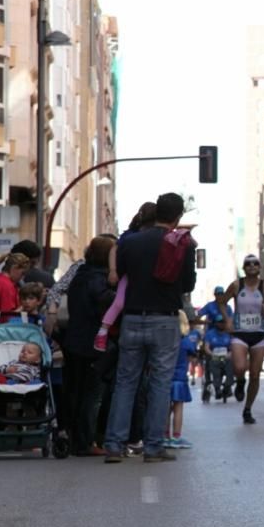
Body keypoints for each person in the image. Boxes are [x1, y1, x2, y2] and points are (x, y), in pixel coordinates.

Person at [103, 192, 196, 464]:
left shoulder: (131, 242)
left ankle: (114, 445)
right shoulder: (183, 245)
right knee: (160, 384)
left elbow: (117, 275)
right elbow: (188, 285)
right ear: (178, 217)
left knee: (126, 382)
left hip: (132, 317)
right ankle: (154, 447)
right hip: (165, 319)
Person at [63, 235, 117, 457]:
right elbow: (106, 300)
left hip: (74, 340)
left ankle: (73, 437)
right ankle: (85, 442)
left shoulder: (79, 275)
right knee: (92, 394)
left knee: (75, 391)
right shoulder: (98, 279)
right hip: (93, 343)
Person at [218, 254, 264, 424]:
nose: (252, 266)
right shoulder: (238, 285)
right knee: (239, 366)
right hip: (239, 333)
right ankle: (240, 381)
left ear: (259, 267)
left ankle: (248, 409)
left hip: (258, 335)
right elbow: (222, 301)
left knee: (255, 375)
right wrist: (228, 319)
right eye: (248, 264)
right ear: (244, 268)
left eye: (255, 264)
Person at [94, 203, 158, 352]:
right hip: (130, 273)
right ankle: (103, 331)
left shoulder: (149, 235)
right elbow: (114, 249)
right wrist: (113, 270)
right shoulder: (130, 236)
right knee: (120, 302)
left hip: (140, 276)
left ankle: (104, 331)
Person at [165, 315, 198, 449]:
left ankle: (165, 436)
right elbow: (193, 360)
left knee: (165, 409)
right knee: (178, 408)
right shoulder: (186, 342)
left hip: (166, 378)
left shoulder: (165, 340)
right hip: (180, 379)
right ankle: (176, 437)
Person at [0, 253, 30, 328]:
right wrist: (24, 307)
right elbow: (8, 317)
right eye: (22, 273)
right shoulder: (7, 286)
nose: (22, 277)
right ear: (14, 268)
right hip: (0, 332)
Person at [203, 313, 234, 400]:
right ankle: (217, 388)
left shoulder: (229, 334)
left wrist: (229, 354)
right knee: (214, 368)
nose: (221, 324)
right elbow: (206, 347)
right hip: (214, 357)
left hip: (226, 357)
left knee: (231, 368)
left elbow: (232, 347)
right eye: (220, 322)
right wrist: (212, 354)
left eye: (223, 322)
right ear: (216, 323)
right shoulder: (210, 334)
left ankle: (228, 386)